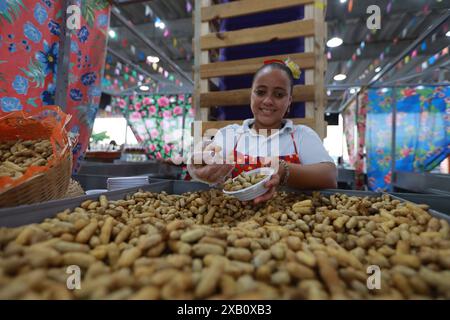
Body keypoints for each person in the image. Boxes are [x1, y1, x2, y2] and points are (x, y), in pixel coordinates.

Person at [187, 58, 337, 204]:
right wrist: (198, 165)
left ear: (289, 101)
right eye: (260, 92)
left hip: (286, 224)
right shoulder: (230, 135)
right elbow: (209, 156)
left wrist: (283, 170)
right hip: (233, 222)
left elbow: (330, 176)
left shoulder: (301, 136)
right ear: (251, 95)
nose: (268, 101)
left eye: (278, 94)